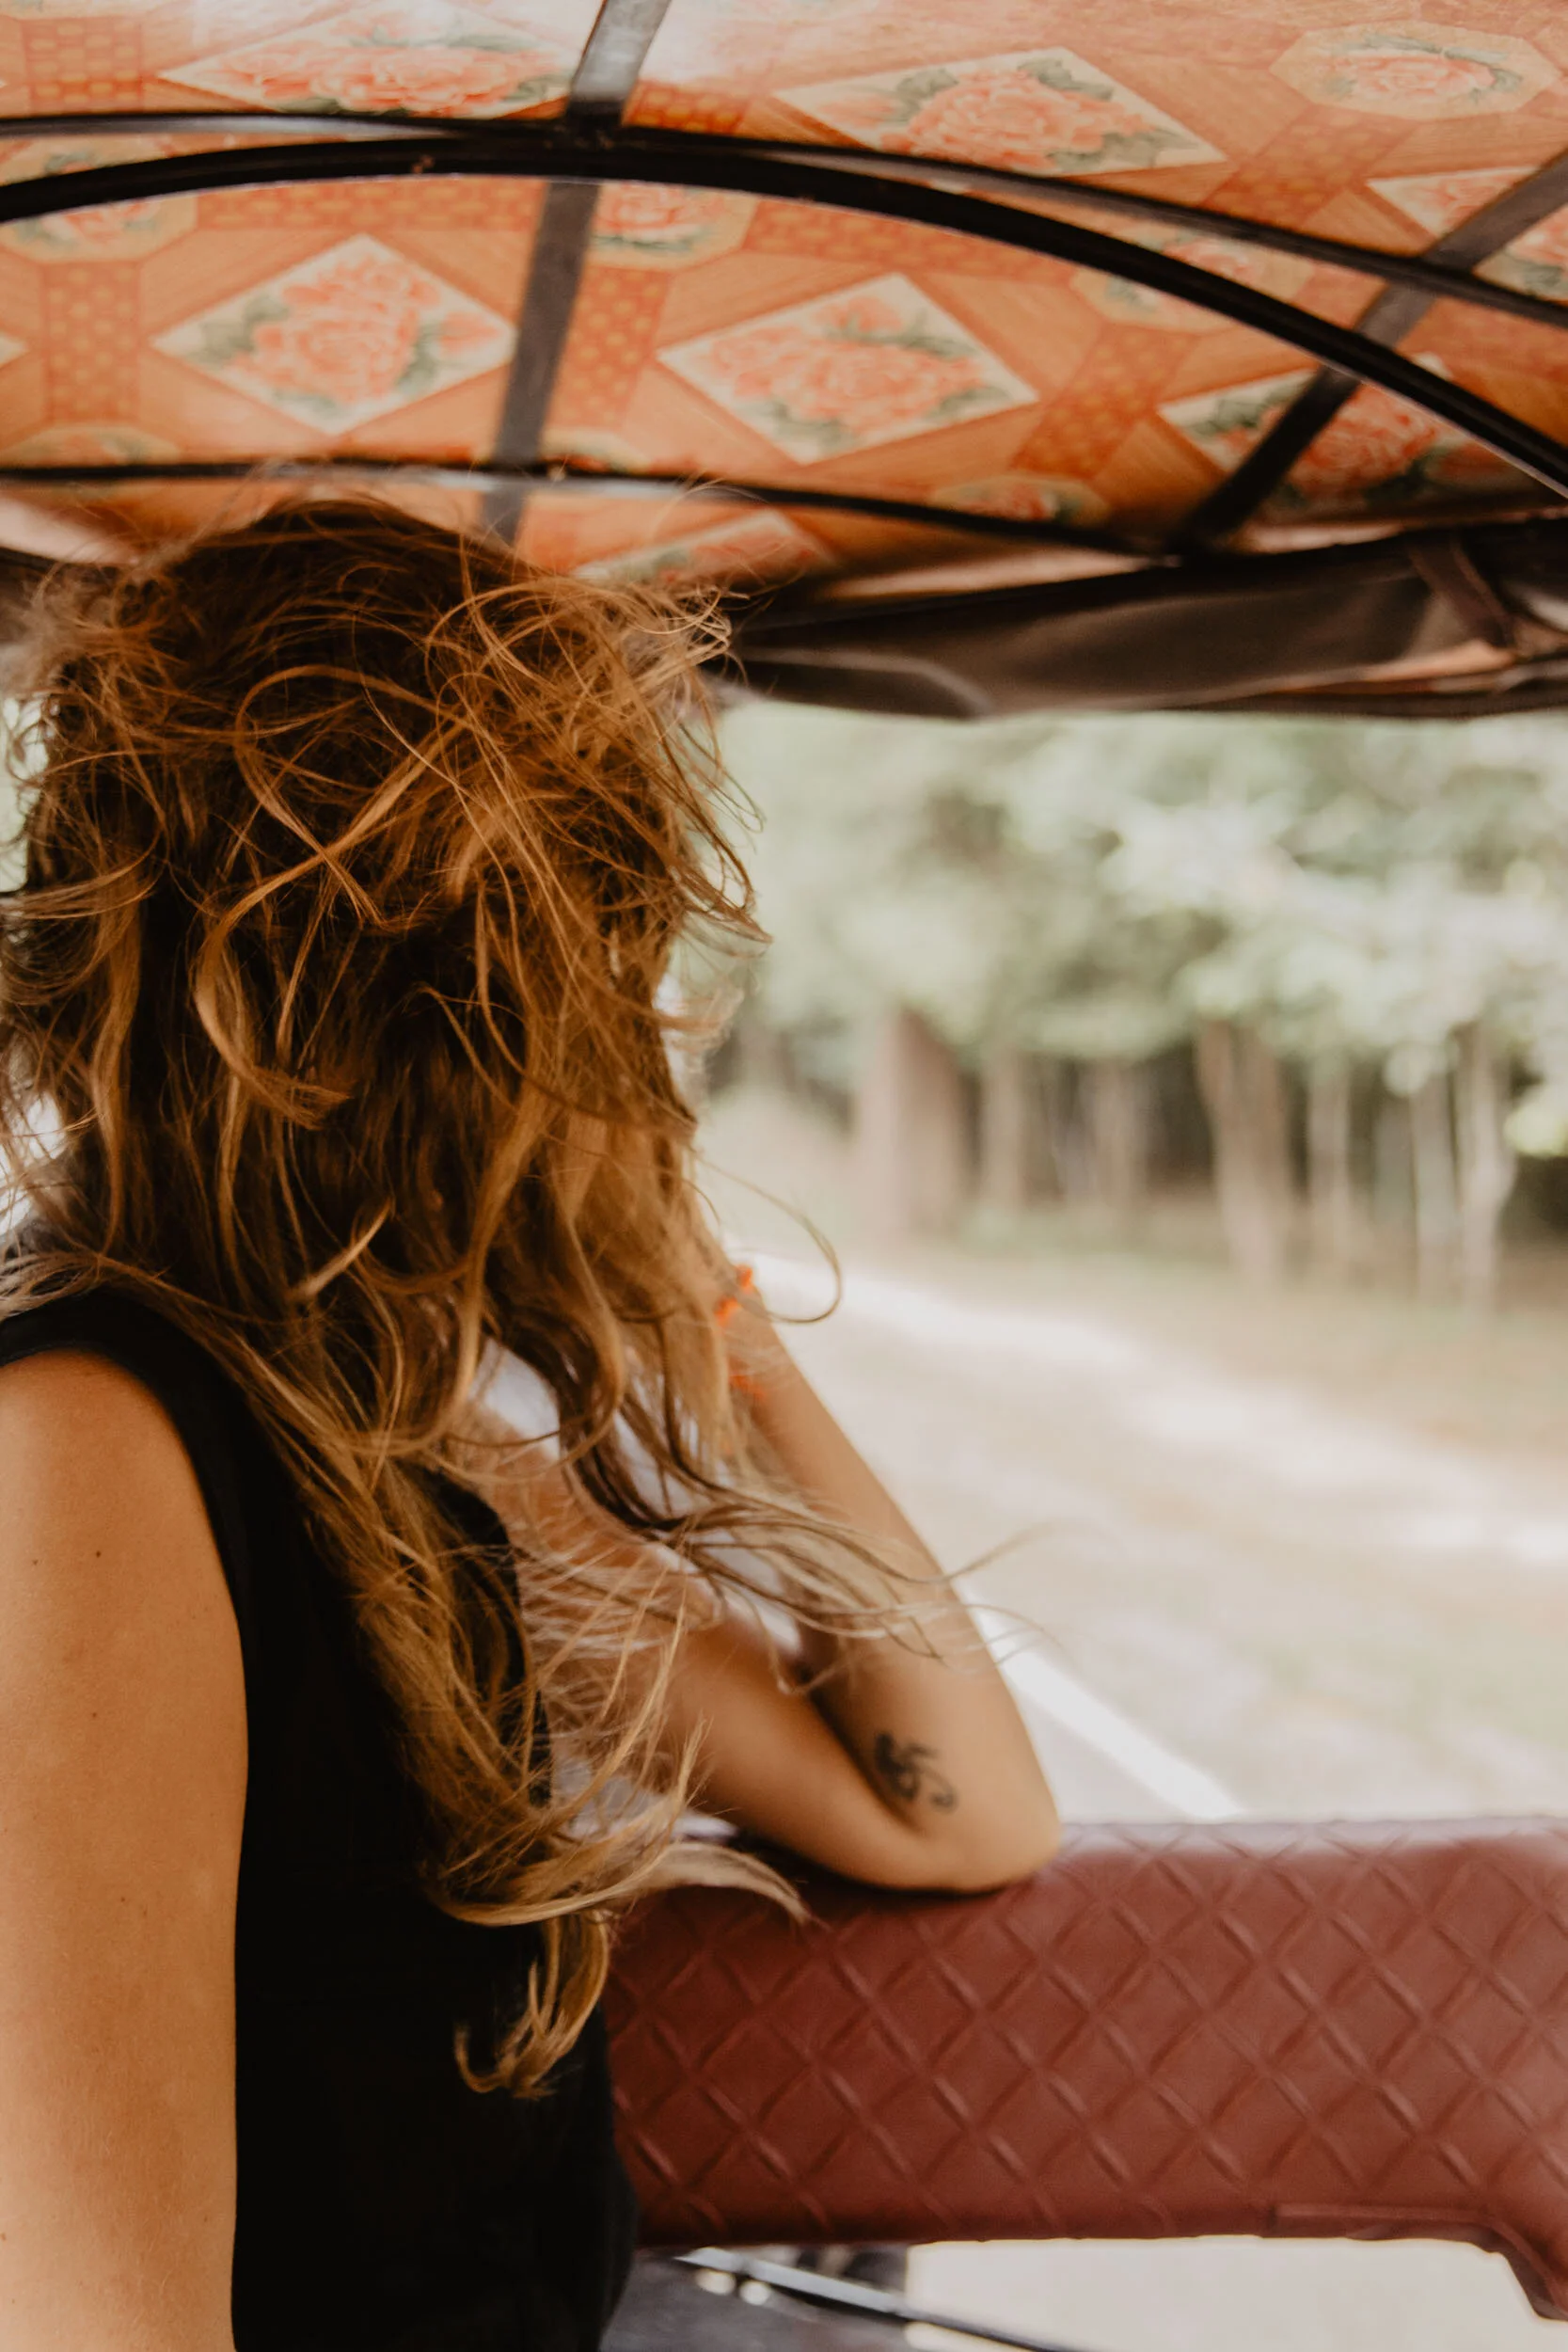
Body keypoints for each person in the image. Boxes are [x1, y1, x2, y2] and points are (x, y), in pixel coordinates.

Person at [0, 501, 1058, 2352]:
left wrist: (714, 1319)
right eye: (598, 973)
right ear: (472, 995)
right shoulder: (87, 1439)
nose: (643, 1049)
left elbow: (948, 1810)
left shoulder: (402, 1456)